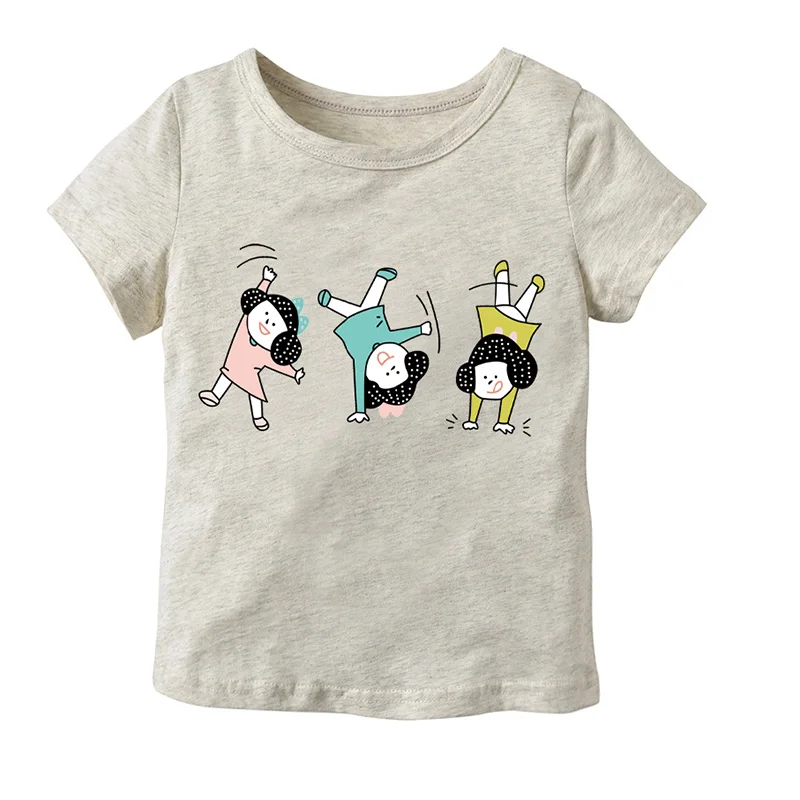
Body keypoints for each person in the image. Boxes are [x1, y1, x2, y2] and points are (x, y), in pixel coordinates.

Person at [318, 268, 431, 423]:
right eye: (398, 370)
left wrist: (360, 410)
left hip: (354, 330)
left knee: (363, 308)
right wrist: (420, 330)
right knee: (366, 307)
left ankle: (379, 280)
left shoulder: (362, 359)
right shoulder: (388, 340)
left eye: (388, 374)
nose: (392, 368)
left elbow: (358, 381)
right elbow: (401, 336)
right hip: (373, 319)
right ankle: (332, 301)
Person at [199, 266, 305, 431]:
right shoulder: (246, 323)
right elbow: (259, 297)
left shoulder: (267, 352)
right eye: (266, 315)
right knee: (225, 377)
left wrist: (294, 373)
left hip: (250, 376)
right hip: (232, 366)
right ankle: (215, 395)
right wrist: (266, 281)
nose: (267, 323)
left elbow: (279, 365)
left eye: (274, 325)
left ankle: (258, 417)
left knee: (254, 394)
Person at [456, 260, 544, 434]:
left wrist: (472, 421)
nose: (492, 383)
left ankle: (520, 281)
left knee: (511, 305)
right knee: (516, 307)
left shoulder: (483, 376)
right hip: (514, 330)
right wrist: (499, 422)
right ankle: (514, 279)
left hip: (504, 327)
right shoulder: (507, 376)